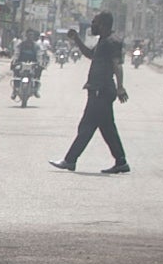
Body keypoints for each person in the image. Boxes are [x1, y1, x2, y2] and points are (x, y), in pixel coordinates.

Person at [52, 12, 132, 173]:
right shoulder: (103, 40)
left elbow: (117, 64)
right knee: (107, 129)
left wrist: (120, 87)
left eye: (94, 22)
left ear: (102, 24)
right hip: (98, 89)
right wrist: (76, 39)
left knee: (87, 126)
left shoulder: (112, 41)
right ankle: (121, 162)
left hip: (101, 90)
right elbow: (90, 54)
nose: (92, 25)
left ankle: (70, 160)